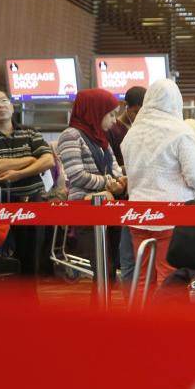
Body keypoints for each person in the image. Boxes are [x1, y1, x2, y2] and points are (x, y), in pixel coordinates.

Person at [121, 79, 195, 291]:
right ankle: (166, 322)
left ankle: (141, 321)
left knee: (143, 277)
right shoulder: (181, 132)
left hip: (138, 213)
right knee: (168, 276)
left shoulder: (132, 133)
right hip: (171, 215)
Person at [0, 88, 54, 275]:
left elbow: (48, 161)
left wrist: (17, 174)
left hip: (31, 202)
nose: (0, 105)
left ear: (11, 104)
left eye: (4, 100)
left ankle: (29, 303)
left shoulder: (30, 132)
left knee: (30, 262)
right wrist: (32, 160)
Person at [57, 88, 127, 280]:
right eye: (111, 114)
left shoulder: (101, 138)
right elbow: (77, 176)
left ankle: (103, 310)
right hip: (85, 208)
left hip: (108, 206)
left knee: (110, 270)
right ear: (95, 110)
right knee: (104, 269)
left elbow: (115, 170)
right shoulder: (71, 136)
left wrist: (119, 182)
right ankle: (100, 310)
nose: (114, 121)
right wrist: (109, 182)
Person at [105, 85, 145, 285]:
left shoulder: (142, 130)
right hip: (121, 193)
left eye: (142, 112)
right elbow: (110, 165)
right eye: (135, 111)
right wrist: (128, 169)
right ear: (125, 106)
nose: (138, 116)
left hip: (136, 192)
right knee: (121, 249)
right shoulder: (113, 130)